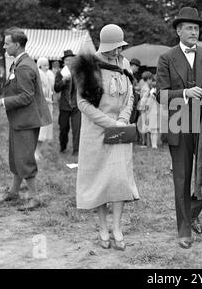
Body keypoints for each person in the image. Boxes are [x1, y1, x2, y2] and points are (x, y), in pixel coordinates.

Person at [156, 7, 202, 249]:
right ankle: (184, 229)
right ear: (178, 30)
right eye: (189, 28)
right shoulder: (166, 58)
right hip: (179, 125)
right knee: (182, 178)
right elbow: (161, 95)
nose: (194, 32)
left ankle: (194, 211)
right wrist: (185, 92)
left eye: (197, 28)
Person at [73, 24, 139, 251]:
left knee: (118, 180)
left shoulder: (125, 64)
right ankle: (103, 227)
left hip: (120, 129)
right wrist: (111, 123)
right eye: (113, 49)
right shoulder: (88, 65)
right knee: (99, 181)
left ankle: (117, 227)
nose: (117, 53)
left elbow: (130, 95)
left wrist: (122, 119)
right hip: (96, 131)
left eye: (120, 48)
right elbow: (82, 103)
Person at [0, 27, 52, 211]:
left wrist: (1, 102)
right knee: (16, 157)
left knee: (24, 159)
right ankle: (13, 192)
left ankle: (34, 197)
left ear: (17, 45)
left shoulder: (24, 66)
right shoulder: (21, 62)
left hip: (26, 120)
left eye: (7, 43)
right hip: (21, 119)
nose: (4, 46)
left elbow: (26, 96)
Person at [54, 49, 81, 156]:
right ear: (64, 62)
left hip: (77, 105)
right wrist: (63, 80)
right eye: (67, 60)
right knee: (63, 128)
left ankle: (76, 150)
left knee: (77, 128)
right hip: (64, 105)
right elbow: (56, 88)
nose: (69, 62)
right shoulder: (60, 73)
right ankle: (63, 147)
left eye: (71, 60)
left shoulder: (79, 73)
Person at [35, 57, 55, 160]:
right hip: (41, 107)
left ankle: (39, 151)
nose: (47, 67)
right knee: (40, 131)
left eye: (48, 65)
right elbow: (38, 94)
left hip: (48, 106)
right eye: (45, 65)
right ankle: (35, 152)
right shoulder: (38, 76)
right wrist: (46, 100)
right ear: (39, 66)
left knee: (46, 131)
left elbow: (50, 90)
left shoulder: (48, 75)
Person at [137, 71, 153, 146]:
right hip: (144, 107)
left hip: (141, 107)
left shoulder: (143, 87)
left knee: (144, 123)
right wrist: (146, 107)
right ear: (148, 79)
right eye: (151, 80)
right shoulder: (147, 88)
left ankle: (144, 142)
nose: (152, 82)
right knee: (145, 124)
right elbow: (144, 99)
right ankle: (145, 142)